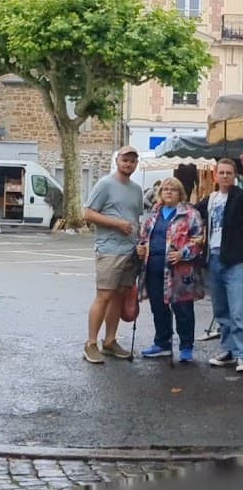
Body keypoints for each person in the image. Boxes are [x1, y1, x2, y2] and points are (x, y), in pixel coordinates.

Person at [82, 146, 144, 364]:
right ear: (118, 161)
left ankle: (109, 341)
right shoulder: (105, 184)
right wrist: (116, 223)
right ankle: (91, 343)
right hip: (109, 249)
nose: (128, 164)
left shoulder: (137, 189)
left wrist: (140, 243)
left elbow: (137, 219)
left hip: (130, 250)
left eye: (132, 161)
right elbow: (88, 213)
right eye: (125, 160)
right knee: (104, 296)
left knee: (119, 296)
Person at [136, 178, 204, 363]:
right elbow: (142, 237)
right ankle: (162, 343)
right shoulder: (153, 214)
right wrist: (140, 247)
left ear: (180, 193)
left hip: (180, 272)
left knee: (183, 309)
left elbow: (199, 239)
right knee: (158, 308)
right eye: (165, 189)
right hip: (154, 269)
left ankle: (186, 347)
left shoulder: (190, 214)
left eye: (173, 189)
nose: (168, 192)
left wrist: (183, 253)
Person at [196, 158, 243, 371]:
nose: (224, 176)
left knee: (238, 310)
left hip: (235, 261)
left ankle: (241, 353)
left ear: (235, 176)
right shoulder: (211, 198)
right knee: (221, 309)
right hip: (213, 259)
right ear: (215, 175)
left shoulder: (240, 197)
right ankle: (229, 351)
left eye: (228, 173)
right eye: (221, 172)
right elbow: (191, 212)